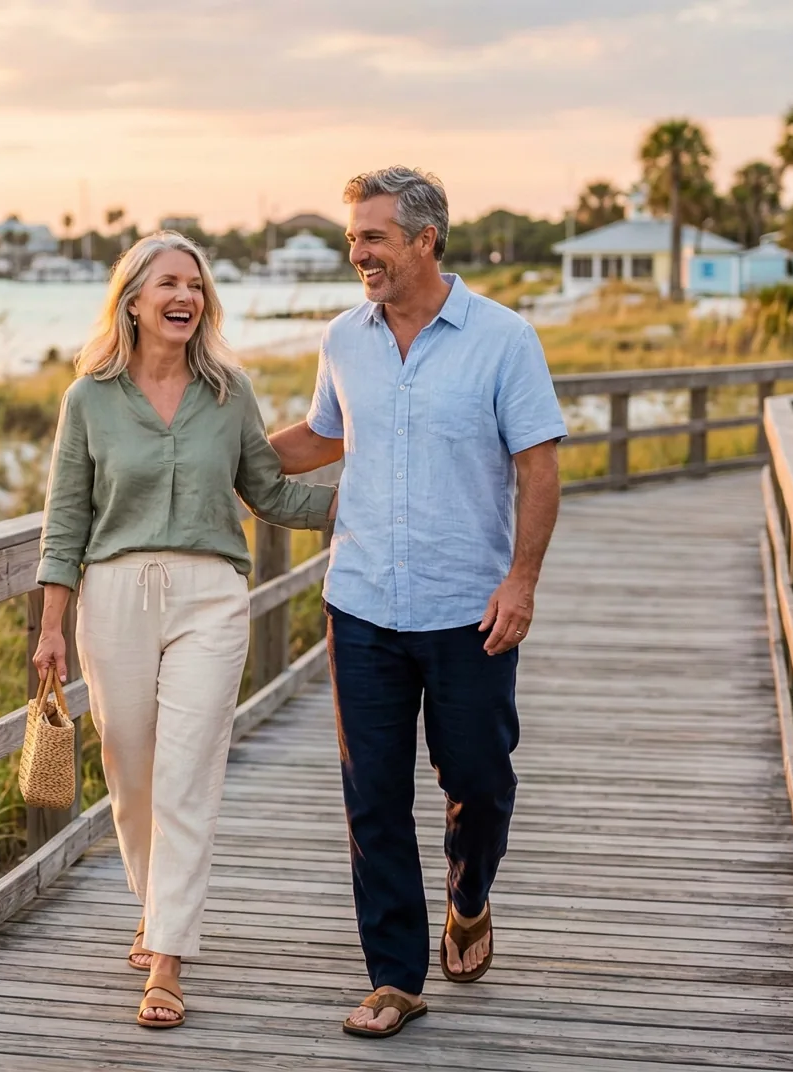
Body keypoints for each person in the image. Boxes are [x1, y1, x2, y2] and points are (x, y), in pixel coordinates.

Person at [268, 167, 566, 1039]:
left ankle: (470, 894)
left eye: (373, 238)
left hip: (469, 607)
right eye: (353, 237)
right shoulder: (343, 339)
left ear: (425, 241)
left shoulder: (505, 340)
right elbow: (326, 434)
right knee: (373, 797)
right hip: (361, 602)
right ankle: (394, 979)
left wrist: (522, 581)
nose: (358, 253)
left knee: (479, 775)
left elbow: (538, 466)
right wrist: (221, 452)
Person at [32, 230, 336, 1029]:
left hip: (209, 595)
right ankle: (154, 904)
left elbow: (269, 491)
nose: (185, 297)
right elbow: (65, 519)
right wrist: (51, 626)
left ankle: (168, 954)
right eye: (169, 282)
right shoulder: (89, 399)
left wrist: (362, 498)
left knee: (188, 774)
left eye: (196, 285)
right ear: (133, 299)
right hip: (114, 596)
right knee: (130, 774)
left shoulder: (228, 391)